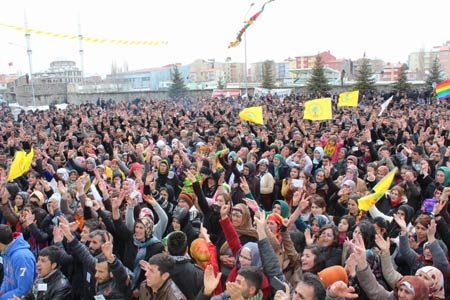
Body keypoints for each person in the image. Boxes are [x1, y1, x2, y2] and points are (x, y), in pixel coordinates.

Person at [0, 224, 36, 300]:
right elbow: (6, 278)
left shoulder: (22, 257)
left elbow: (24, 289)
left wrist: (2, 298)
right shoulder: (6, 252)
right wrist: (1, 292)